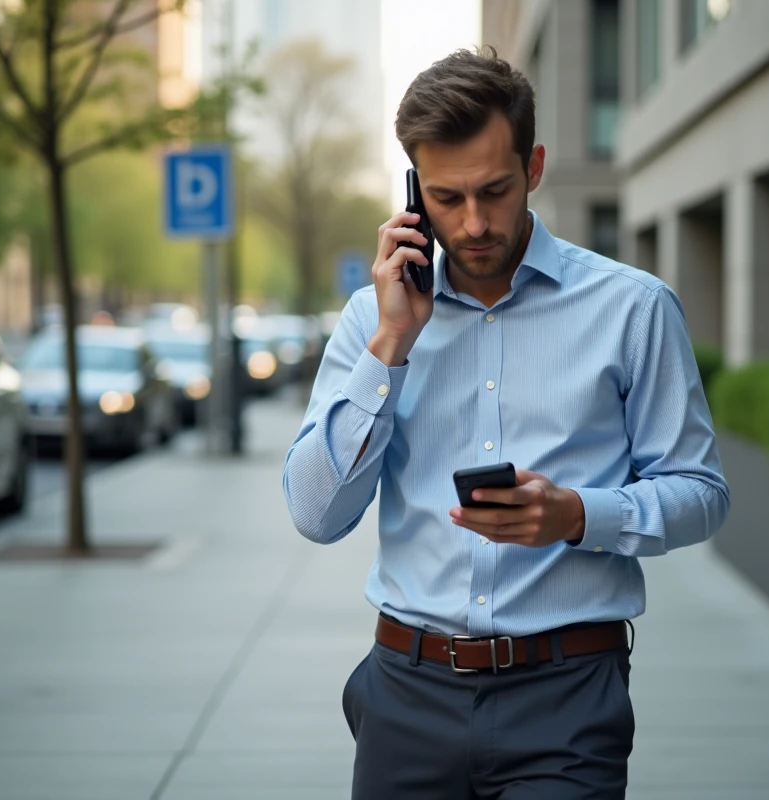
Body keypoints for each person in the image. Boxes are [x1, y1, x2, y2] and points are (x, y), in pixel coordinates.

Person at [283, 46, 730, 799]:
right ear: (413, 190)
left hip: (567, 698)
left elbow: (702, 492)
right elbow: (315, 513)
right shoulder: (372, 319)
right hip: (406, 695)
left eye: (495, 190)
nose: (474, 222)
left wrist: (577, 515)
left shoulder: (634, 308)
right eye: (446, 197)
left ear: (535, 167)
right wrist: (391, 345)